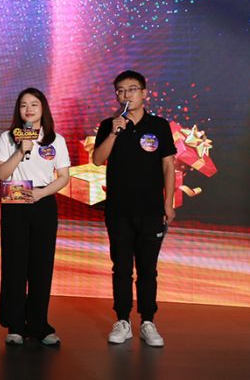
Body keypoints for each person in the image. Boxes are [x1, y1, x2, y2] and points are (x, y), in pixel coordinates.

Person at [92, 70, 176, 348]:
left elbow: (168, 166)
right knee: (121, 268)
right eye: (120, 90)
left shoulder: (159, 126)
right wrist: (114, 133)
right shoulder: (109, 124)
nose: (126, 94)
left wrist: (168, 203)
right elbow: (97, 159)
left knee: (148, 269)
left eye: (132, 89)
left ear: (144, 93)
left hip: (151, 210)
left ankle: (148, 321)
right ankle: (123, 320)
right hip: (118, 210)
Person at [0, 88, 71, 347]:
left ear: (43, 108)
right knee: (15, 266)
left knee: (41, 265)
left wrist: (41, 194)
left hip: (43, 200)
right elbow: (2, 174)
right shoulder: (8, 138)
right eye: (23, 105)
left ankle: (39, 325)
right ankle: (15, 326)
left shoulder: (55, 140)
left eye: (34, 104)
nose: (28, 109)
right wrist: (20, 150)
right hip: (15, 199)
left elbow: (64, 176)